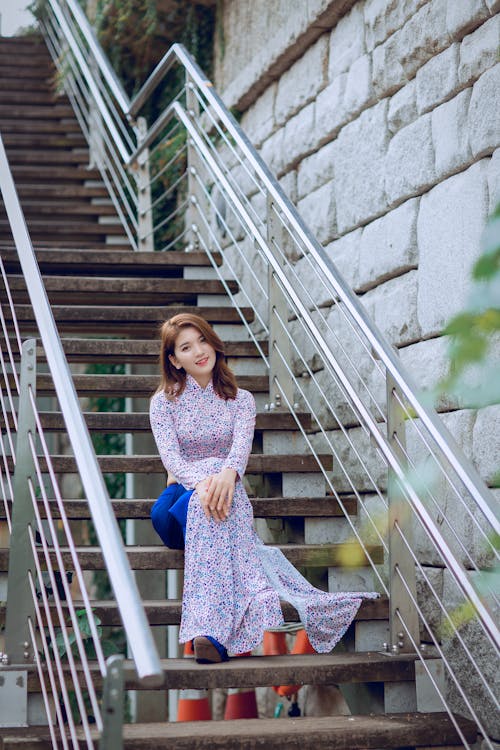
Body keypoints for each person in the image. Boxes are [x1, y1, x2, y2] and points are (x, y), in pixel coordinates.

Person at [149, 312, 378, 664]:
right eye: (186, 347)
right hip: (185, 489)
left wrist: (227, 475)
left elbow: (239, 453)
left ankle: (210, 632)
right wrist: (211, 478)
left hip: (227, 493)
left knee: (208, 509)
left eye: (203, 341)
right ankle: (215, 632)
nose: (198, 351)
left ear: (213, 343)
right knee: (164, 516)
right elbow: (173, 460)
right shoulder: (163, 403)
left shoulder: (241, 401)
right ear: (174, 360)